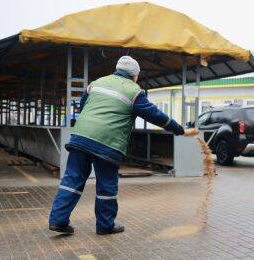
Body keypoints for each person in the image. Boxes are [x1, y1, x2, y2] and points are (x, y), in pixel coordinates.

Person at [49, 56, 192, 235]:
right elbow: (154, 115)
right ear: (135, 76)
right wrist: (178, 129)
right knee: (106, 185)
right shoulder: (134, 91)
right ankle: (105, 225)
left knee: (72, 178)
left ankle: (58, 220)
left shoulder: (96, 83)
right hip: (107, 143)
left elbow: (84, 105)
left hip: (81, 136)